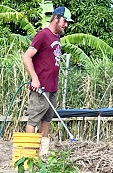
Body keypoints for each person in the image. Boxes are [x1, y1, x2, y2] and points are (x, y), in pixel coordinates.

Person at [21, 6, 73, 155]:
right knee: (33, 119)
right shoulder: (43, 35)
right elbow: (26, 57)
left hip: (52, 87)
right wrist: (35, 79)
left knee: (47, 120)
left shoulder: (57, 37)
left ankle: (42, 154)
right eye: (64, 21)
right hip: (40, 87)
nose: (66, 25)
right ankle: (29, 155)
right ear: (56, 18)